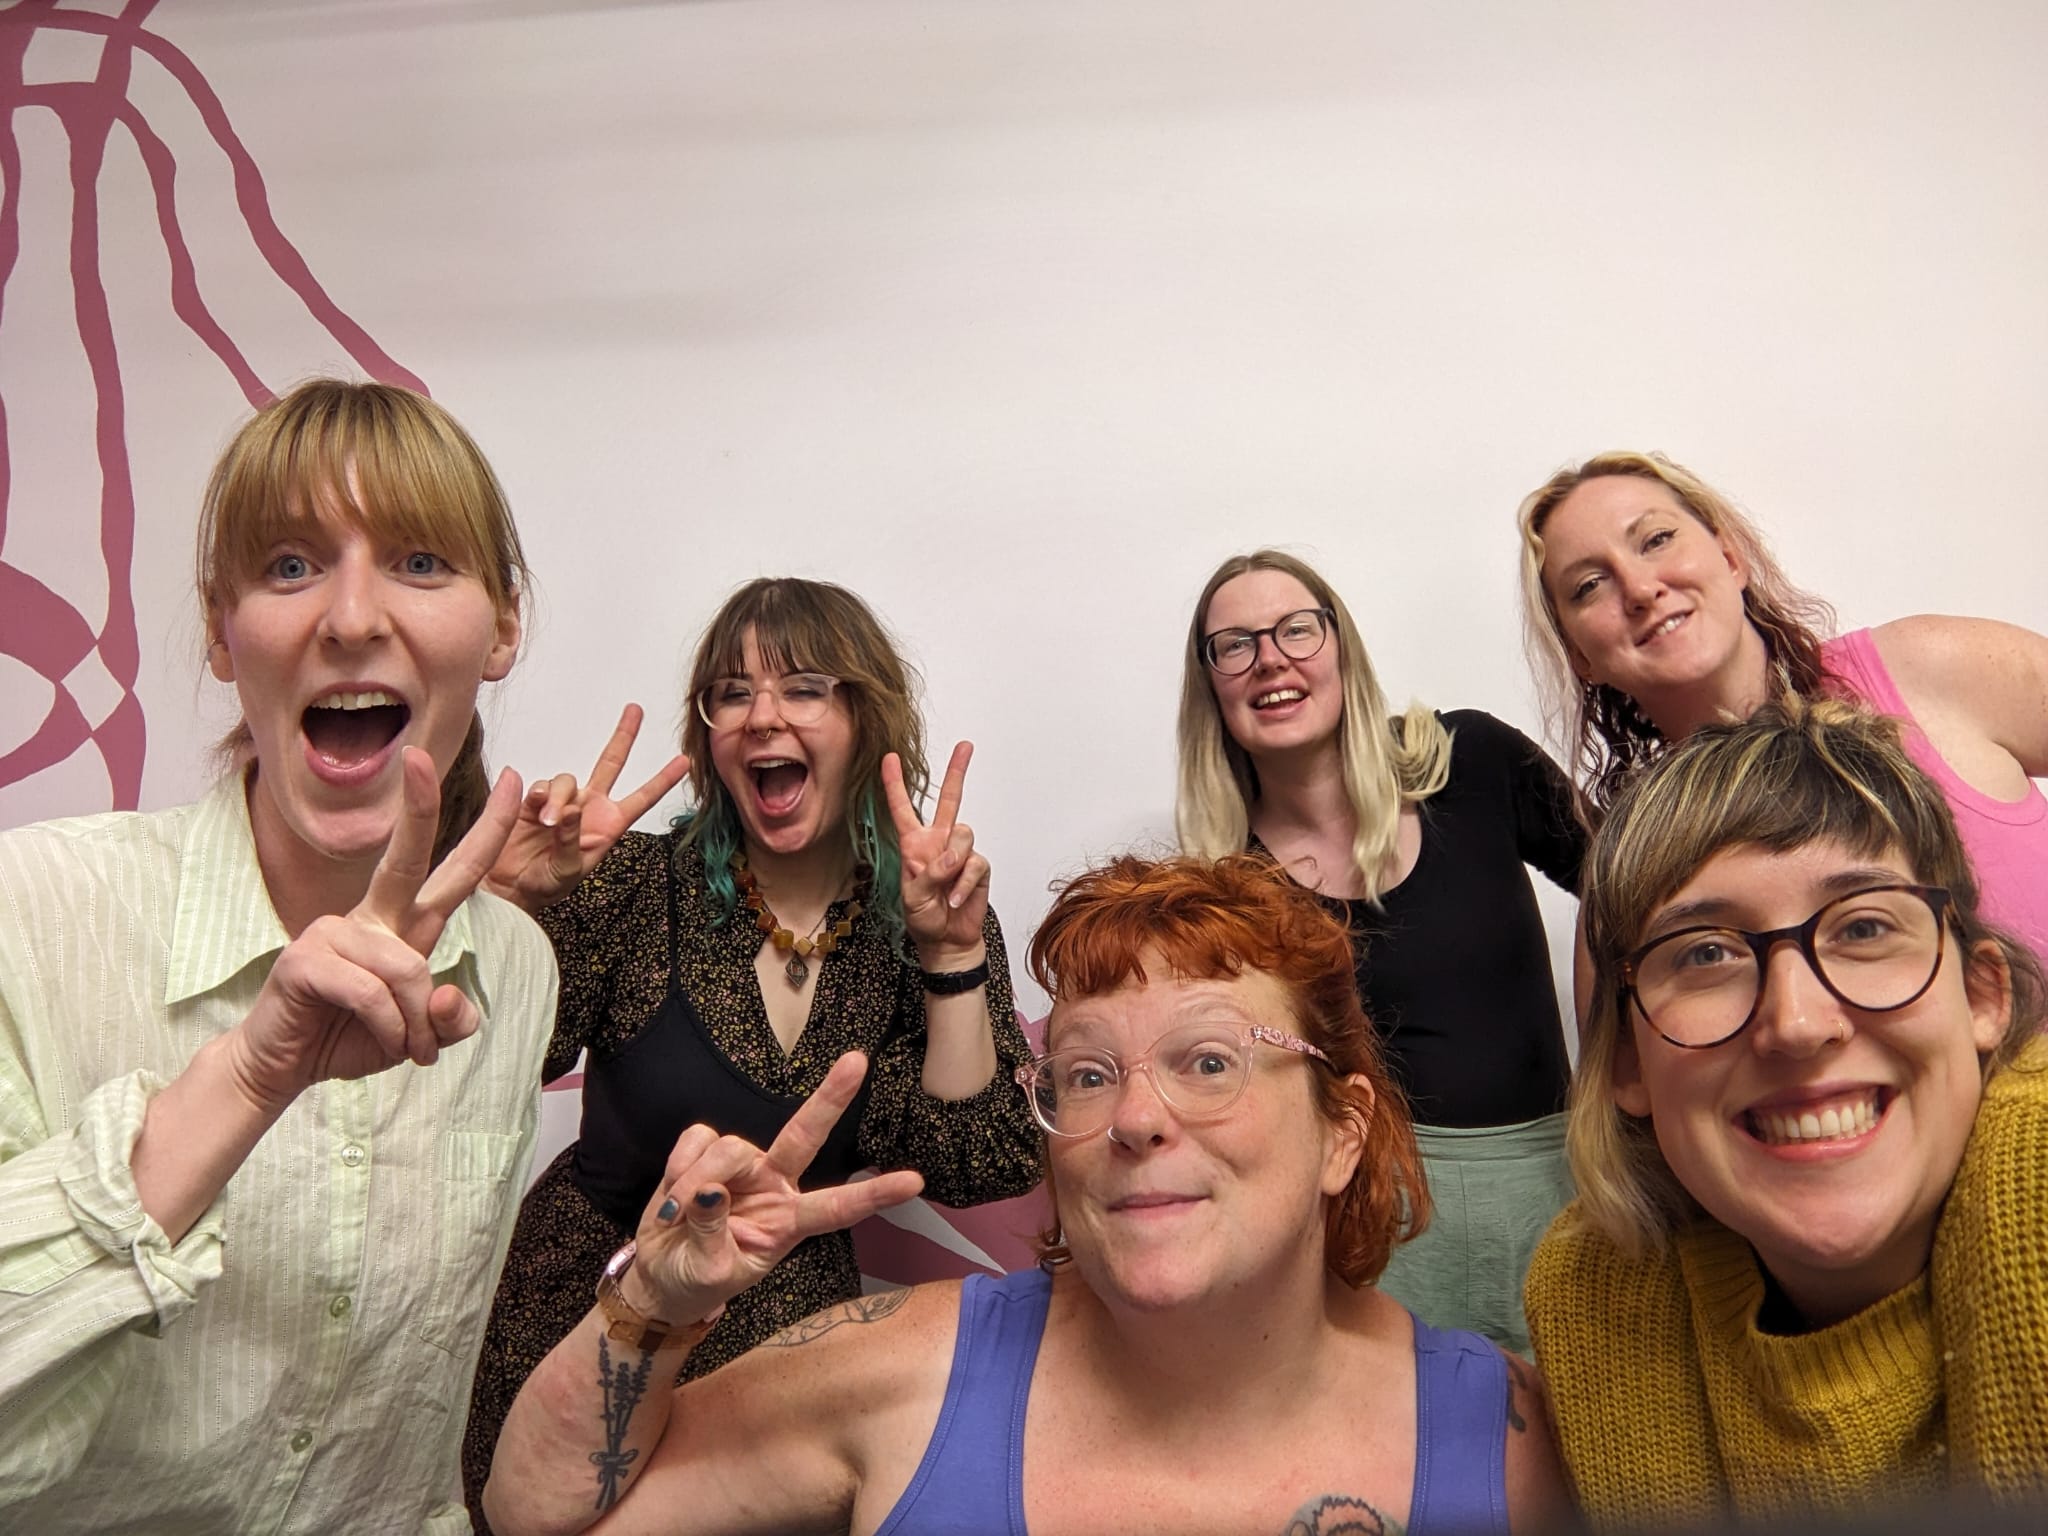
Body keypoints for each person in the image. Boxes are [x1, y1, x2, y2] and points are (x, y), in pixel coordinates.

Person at [480, 852, 1571, 1536]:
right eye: (1087, 1075)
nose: (1133, 1119)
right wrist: (653, 1310)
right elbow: (533, 1517)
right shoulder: (895, 1371)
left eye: (1206, 1062)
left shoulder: (1507, 1438)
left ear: (1340, 1131)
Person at [0, 380, 556, 1533]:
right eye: (291, 567)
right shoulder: (30, 911)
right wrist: (249, 1079)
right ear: (220, 628)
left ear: (503, 626)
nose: (350, 618)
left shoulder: (513, 967)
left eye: (416, 562)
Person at [461, 577, 1042, 1528]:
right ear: (708, 736)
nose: (762, 715)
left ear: (865, 719)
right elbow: (480, 1072)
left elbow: (973, 1161)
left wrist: (950, 956)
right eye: (732, 693)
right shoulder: (640, 884)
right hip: (586, 1311)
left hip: (788, 1344)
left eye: (805, 687)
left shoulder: (925, 917)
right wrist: (516, 908)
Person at [1523, 699, 2048, 1526]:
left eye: (1866, 926)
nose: (1797, 1024)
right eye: (1705, 954)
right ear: (1627, 1060)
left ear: (1982, 994)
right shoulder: (1593, 1293)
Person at [1176, 549, 1585, 1352]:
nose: (1271, 660)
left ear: (1340, 646)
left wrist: (1624, 1071)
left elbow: (1634, 885)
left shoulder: (1471, 759)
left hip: (1556, 1189)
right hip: (1372, 1223)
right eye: (1235, 645)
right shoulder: (1226, 886)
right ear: (1211, 687)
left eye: (1297, 630)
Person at [1517, 451, 2048, 961]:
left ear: (1730, 559)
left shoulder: (1930, 666)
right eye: (1589, 585)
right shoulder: (1628, 877)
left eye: (1657, 539)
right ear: (1580, 657)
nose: (1639, 588)